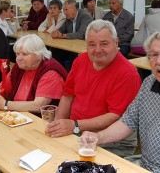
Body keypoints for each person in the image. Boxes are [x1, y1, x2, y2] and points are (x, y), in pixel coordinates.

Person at [46, 19, 141, 157]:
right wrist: (57, 126)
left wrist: (74, 125)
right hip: (76, 130)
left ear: (116, 43)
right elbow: (67, 96)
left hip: (110, 142)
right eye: (92, 44)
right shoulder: (80, 60)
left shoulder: (128, 74)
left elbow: (115, 117)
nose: (97, 50)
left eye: (104, 44)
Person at [81, 31, 160, 173]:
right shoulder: (149, 83)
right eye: (154, 55)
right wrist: (98, 137)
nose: (158, 61)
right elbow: (128, 121)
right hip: (143, 165)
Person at [0, 34, 68, 114]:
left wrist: (5, 105)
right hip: (19, 115)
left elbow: (38, 106)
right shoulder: (20, 67)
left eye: (24, 54)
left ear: (38, 56)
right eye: (17, 54)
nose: (18, 59)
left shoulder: (50, 72)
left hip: (41, 120)